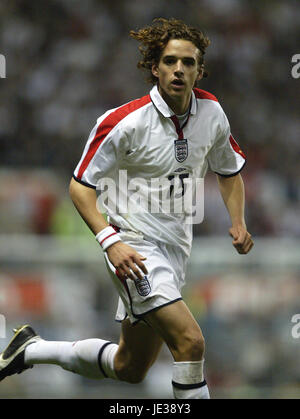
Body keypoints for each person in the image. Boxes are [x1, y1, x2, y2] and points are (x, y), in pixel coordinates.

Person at [0, 18, 253, 399]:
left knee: (129, 367)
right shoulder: (122, 123)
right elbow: (80, 187)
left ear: (200, 70)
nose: (179, 69)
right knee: (191, 343)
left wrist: (238, 221)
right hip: (133, 249)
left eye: (188, 62)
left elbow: (229, 169)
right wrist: (110, 242)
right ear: (155, 67)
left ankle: (30, 350)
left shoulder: (212, 113)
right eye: (170, 61)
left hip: (176, 250)